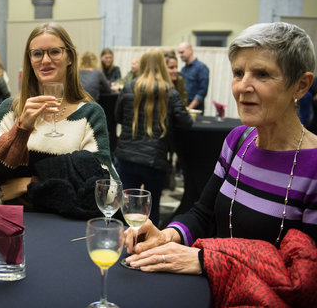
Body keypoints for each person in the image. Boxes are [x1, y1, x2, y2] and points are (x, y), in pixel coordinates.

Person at [123, 22, 317, 307]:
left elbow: (304, 277)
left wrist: (208, 258)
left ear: (301, 84)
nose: (243, 86)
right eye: (238, 73)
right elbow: (203, 213)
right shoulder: (238, 141)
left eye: (261, 74)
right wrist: (168, 235)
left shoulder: (312, 168)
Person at [0, 22, 117, 219]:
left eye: (55, 52)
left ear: (70, 57)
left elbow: (106, 188)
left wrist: (29, 183)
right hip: (10, 222)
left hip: (65, 225)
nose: (45, 60)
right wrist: (21, 129)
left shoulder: (90, 113)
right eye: (37, 53)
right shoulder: (11, 109)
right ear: (30, 60)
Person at [114, 48, 192, 225]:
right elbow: (186, 122)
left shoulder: (128, 87)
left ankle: (128, 246)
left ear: (141, 65)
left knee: (128, 209)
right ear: (163, 66)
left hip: (126, 156)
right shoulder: (170, 93)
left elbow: (118, 117)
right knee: (151, 209)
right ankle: (149, 248)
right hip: (154, 160)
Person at [177, 42, 208, 112]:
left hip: (195, 111)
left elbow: (202, 92)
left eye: (182, 52)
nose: (180, 55)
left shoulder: (201, 68)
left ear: (190, 50)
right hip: (184, 109)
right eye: (179, 53)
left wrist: (189, 109)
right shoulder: (183, 70)